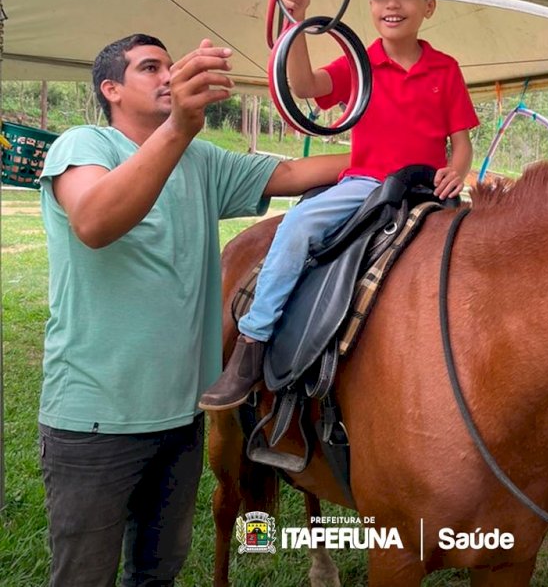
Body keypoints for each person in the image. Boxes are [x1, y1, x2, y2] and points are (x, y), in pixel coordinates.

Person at [38, 33, 348, 587]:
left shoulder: (199, 159)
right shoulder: (82, 145)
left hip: (181, 417)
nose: (166, 75)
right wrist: (180, 126)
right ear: (111, 89)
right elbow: (93, 222)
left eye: (170, 65)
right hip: (94, 420)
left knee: (159, 572)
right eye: (149, 67)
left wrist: (409, 151)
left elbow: (294, 176)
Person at [199, 0, 480, 411]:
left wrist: (457, 170)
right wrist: (297, 21)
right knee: (298, 226)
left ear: (428, 6)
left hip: (426, 189)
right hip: (366, 183)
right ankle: (252, 344)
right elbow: (306, 86)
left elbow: (462, 141)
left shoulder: (445, 69)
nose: (393, 4)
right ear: (370, 5)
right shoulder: (359, 63)